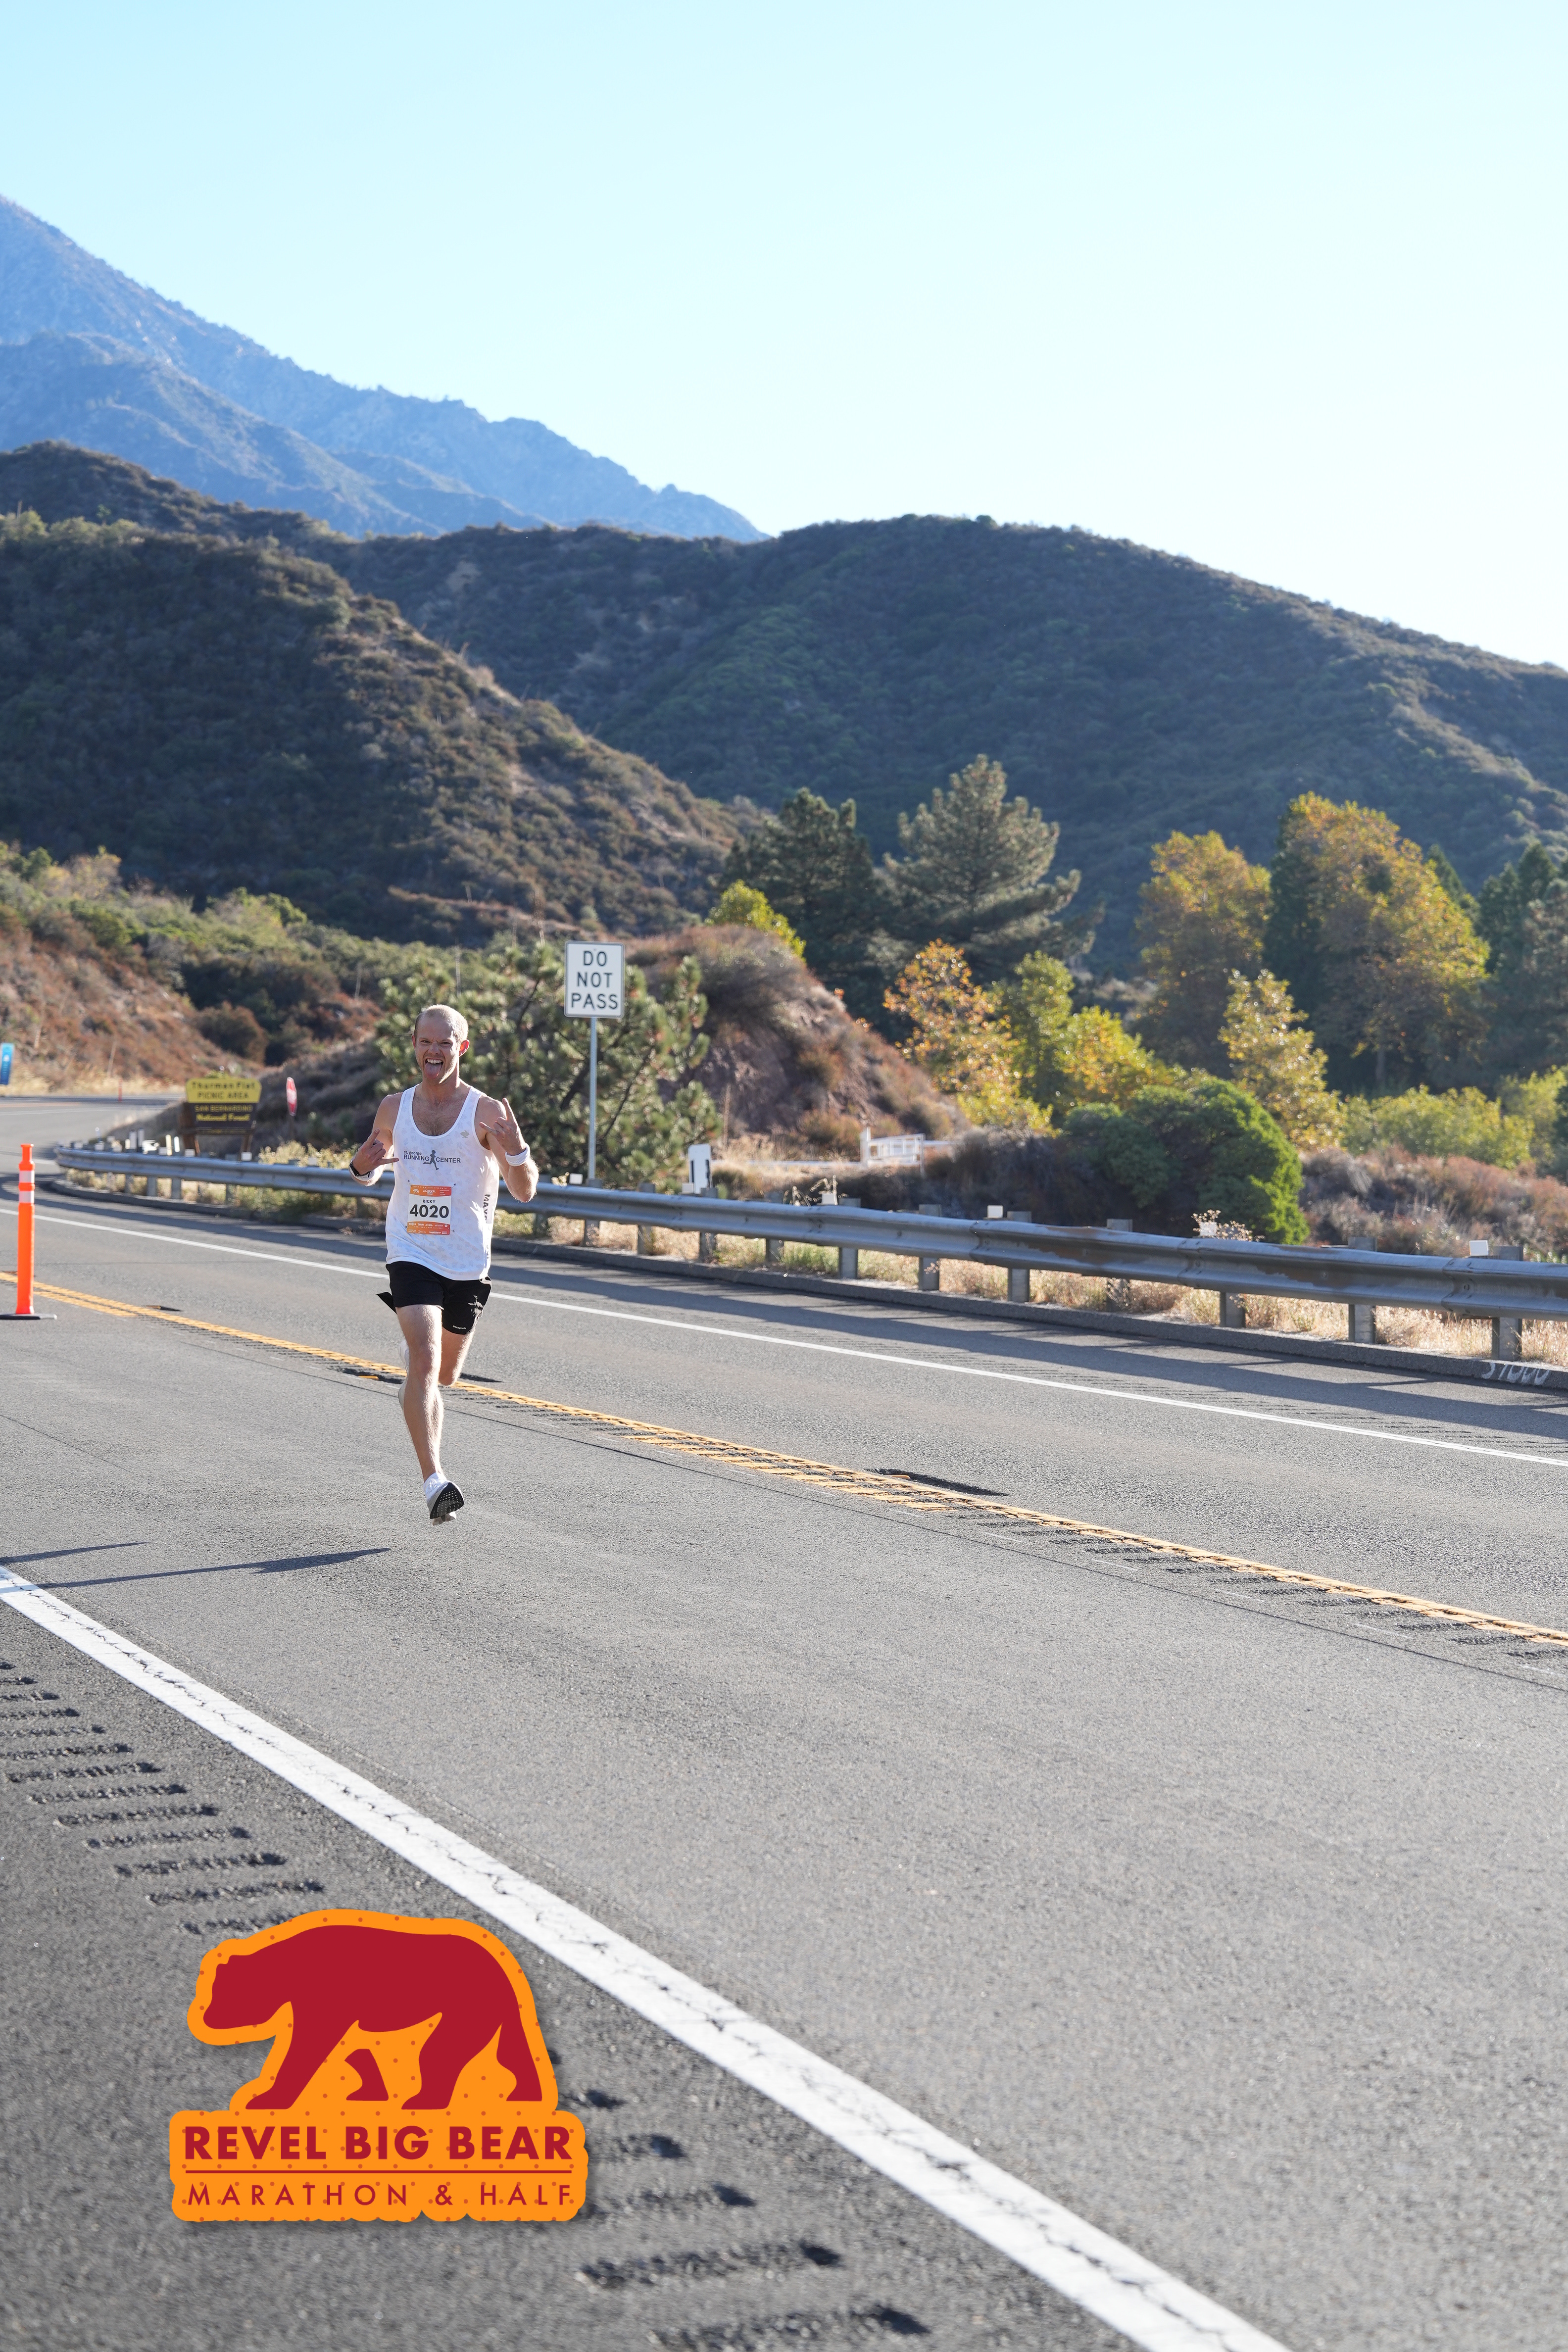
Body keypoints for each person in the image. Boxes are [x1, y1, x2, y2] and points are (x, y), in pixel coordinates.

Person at [348, 1003, 538, 1522]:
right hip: (410, 1250)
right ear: (415, 1046)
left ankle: (417, 1380)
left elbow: (524, 1191)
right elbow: (370, 1164)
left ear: (462, 1048)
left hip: (467, 1261)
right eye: (426, 1042)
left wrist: (517, 1151)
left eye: (445, 1043)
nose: (434, 1052)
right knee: (427, 1359)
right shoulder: (394, 1107)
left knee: (443, 1375)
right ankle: (435, 1481)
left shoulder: (486, 1112)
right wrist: (361, 1167)